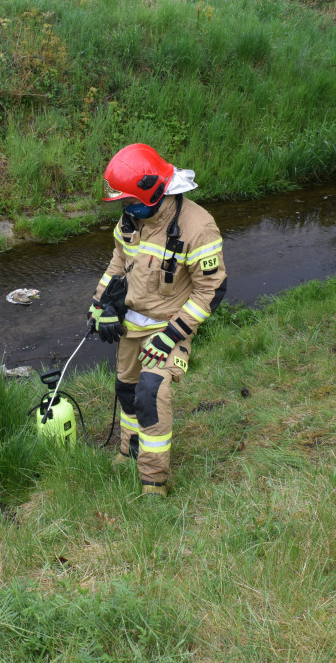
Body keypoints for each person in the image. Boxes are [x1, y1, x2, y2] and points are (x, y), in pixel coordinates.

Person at [88, 143, 227, 498]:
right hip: (132, 329)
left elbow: (210, 291)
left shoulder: (198, 227)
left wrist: (171, 336)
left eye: (130, 201)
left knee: (150, 394)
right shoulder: (131, 219)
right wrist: (100, 307)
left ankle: (153, 482)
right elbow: (118, 263)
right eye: (123, 202)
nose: (126, 209)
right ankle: (128, 450)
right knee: (127, 390)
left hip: (168, 328)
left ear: (153, 191)